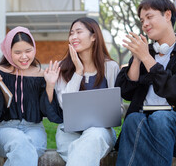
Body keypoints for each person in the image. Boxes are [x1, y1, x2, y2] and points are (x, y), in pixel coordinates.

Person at [115, 0, 176, 166]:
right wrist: (136, 59)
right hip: (144, 123)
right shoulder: (144, 52)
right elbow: (125, 92)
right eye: (142, 20)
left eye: (149, 17)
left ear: (167, 15)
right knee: (133, 119)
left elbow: (175, 90)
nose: (145, 24)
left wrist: (146, 58)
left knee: (161, 119)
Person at [44, 17, 122, 166]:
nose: (73, 37)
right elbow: (64, 106)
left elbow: (117, 108)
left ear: (94, 36)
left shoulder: (110, 67)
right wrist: (78, 72)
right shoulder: (62, 68)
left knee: (93, 136)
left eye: (79, 32)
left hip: (101, 132)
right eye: (71, 33)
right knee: (84, 154)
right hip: (69, 133)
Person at [0, 26, 60, 166]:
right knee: (21, 142)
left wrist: (50, 85)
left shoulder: (41, 74)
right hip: (4, 130)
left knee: (25, 148)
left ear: (34, 49)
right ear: (8, 52)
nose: (24, 57)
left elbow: (50, 114)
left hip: (35, 129)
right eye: (17, 52)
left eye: (28, 51)